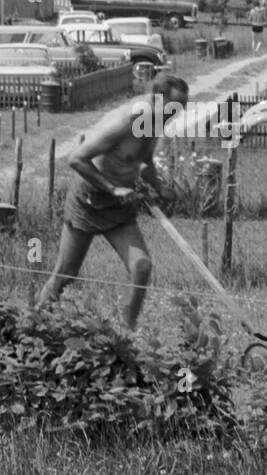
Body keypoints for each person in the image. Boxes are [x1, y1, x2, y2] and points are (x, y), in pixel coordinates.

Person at [38, 75, 190, 331]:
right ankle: (32, 322)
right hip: (88, 201)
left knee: (141, 266)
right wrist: (112, 188)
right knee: (65, 274)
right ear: (156, 98)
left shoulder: (154, 121)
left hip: (119, 207)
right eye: (173, 108)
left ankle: (125, 333)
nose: (176, 115)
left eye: (181, 109)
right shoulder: (124, 120)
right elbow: (77, 159)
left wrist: (159, 187)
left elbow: (144, 161)